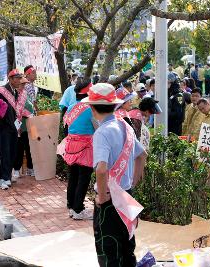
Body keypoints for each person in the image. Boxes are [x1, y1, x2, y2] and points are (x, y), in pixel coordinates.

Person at [81, 83, 147, 266]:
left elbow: (101, 169)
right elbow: (142, 156)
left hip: (109, 199)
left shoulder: (102, 133)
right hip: (126, 196)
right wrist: (131, 184)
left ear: (92, 108)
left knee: (108, 249)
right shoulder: (124, 126)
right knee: (127, 247)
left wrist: (102, 197)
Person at [61, 79, 95, 220]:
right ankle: (78, 209)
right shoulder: (90, 108)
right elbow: (98, 126)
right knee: (84, 177)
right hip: (86, 146)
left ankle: (71, 206)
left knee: (73, 175)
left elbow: (66, 128)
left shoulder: (71, 107)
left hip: (71, 145)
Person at [0, 69, 23, 186]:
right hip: (3, 127)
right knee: (5, 153)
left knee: (12, 152)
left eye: (20, 78)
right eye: (17, 78)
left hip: (13, 128)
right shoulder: (0, 92)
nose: (19, 81)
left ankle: (8, 176)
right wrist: (0, 121)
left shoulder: (15, 92)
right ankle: (4, 177)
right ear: (10, 79)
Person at [12, 73, 35, 178]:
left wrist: (31, 113)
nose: (23, 86)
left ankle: (30, 168)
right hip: (19, 126)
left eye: (25, 84)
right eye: (22, 84)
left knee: (30, 147)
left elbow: (31, 106)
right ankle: (16, 169)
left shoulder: (25, 94)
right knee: (19, 148)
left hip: (29, 125)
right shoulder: (14, 95)